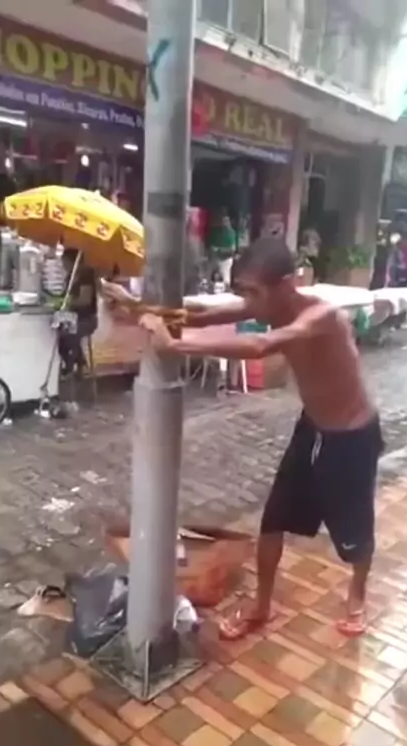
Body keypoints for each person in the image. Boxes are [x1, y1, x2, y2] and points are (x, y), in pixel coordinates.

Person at [134, 237, 384, 638]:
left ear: (285, 285)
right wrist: (144, 310)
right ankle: (261, 607)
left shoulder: (321, 316)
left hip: (351, 437)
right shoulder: (271, 306)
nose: (247, 302)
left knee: (354, 530)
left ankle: (357, 595)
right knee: (273, 521)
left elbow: (260, 344)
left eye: (253, 292)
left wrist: (174, 344)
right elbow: (206, 312)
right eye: (243, 292)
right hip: (312, 427)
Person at [57, 249, 99, 377]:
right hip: (72, 317)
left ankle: (76, 365)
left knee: (70, 335)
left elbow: (85, 300)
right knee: (59, 335)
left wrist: (68, 303)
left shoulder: (87, 276)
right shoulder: (70, 277)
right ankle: (77, 363)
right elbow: (64, 296)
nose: (64, 266)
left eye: (65, 262)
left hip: (87, 319)